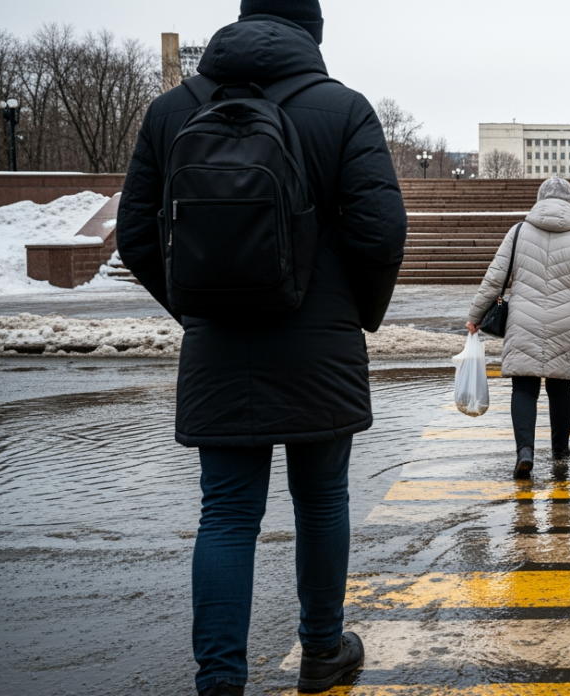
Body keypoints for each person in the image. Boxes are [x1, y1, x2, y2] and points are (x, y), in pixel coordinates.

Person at [115, 1, 408, 694]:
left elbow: (135, 235)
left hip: (219, 344)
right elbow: (381, 232)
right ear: (312, 33)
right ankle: (321, 651)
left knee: (226, 513)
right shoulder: (342, 109)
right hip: (320, 343)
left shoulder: (171, 111)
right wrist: (355, 314)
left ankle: (219, 682)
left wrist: (197, 308)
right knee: (322, 499)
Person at [466, 177, 570, 479]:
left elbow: (495, 278)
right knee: (560, 388)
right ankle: (560, 452)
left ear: (539, 200)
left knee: (524, 388)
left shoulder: (518, 232)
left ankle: (525, 452)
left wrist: (475, 314)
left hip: (523, 321)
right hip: (566, 324)